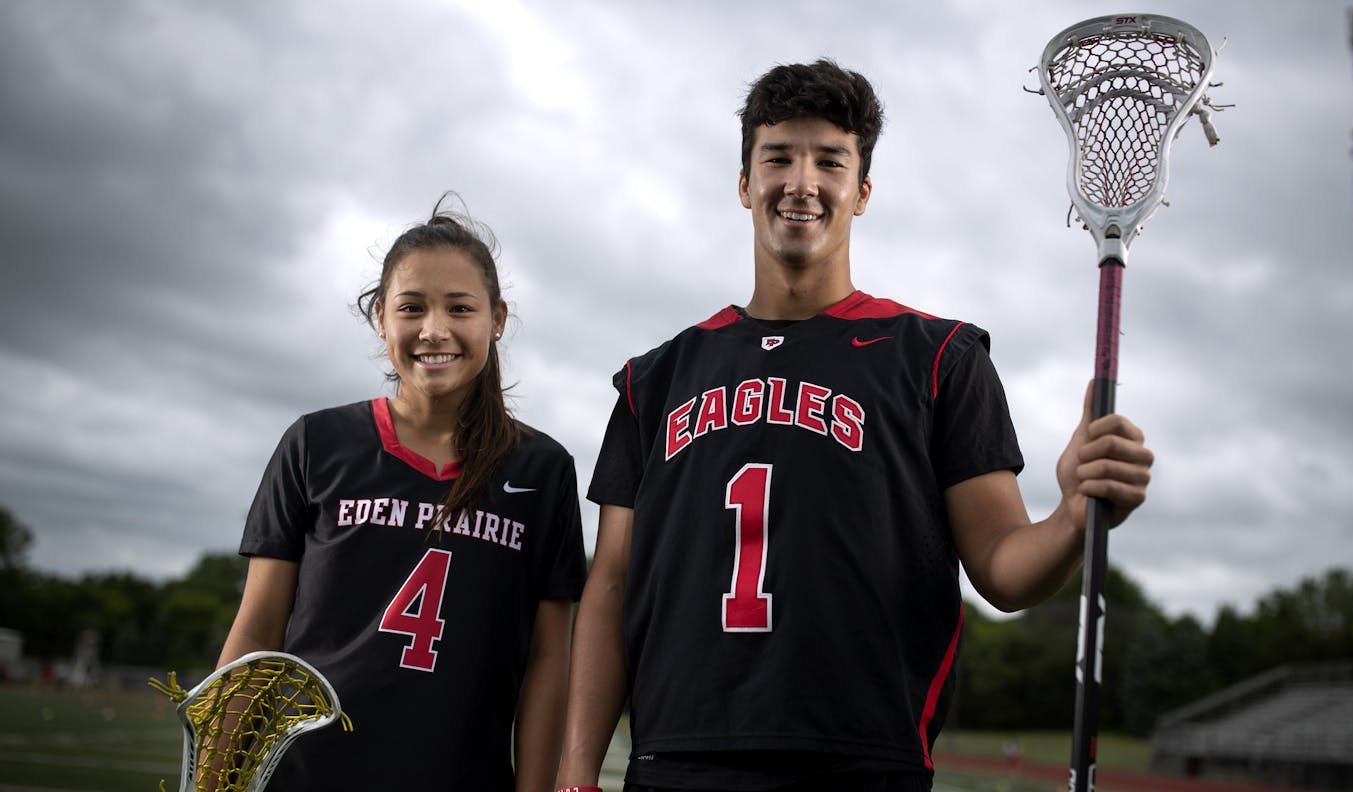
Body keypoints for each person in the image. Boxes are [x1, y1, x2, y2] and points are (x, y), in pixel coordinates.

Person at [555, 60, 1154, 792]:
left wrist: (1072, 515)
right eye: (777, 157)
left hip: (862, 759)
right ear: (744, 184)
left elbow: (1001, 565)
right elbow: (611, 583)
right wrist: (576, 772)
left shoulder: (938, 358)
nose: (800, 182)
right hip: (678, 756)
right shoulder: (655, 379)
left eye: (829, 161)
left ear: (861, 191)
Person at [214, 196, 587, 792]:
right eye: (411, 308)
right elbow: (258, 633)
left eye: (459, 308)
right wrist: (220, 776)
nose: (434, 330)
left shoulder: (541, 469)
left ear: (496, 318)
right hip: (306, 778)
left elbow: (549, 661)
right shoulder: (315, 443)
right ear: (379, 318)